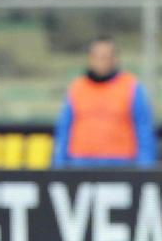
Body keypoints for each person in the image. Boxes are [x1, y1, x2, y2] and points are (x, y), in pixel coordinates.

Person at [53, 39, 156, 168]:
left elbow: (143, 128)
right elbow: (64, 128)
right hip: (80, 163)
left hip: (121, 164)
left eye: (105, 57)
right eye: (96, 57)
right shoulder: (77, 87)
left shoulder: (131, 87)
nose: (101, 61)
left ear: (115, 59)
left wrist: (145, 166)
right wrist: (59, 163)